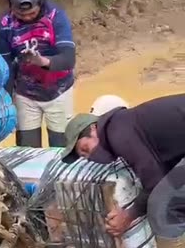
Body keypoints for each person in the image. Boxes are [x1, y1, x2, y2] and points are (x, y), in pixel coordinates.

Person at [60, 94, 185, 248]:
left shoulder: (118, 133)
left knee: (163, 206)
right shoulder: (123, 123)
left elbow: (154, 181)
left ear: (93, 128)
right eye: (84, 157)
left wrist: (128, 215)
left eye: (85, 148)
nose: (90, 157)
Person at [0, 0, 76, 148]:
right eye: (21, 14)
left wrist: (41, 61)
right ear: (11, 5)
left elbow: (69, 59)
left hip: (58, 92)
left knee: (61, 150)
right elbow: (6, 64)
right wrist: (6, 100)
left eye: (31, 13)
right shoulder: (3, 24)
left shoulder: (55, 16)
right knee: (27, 151)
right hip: (25, 94)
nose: (26, 18)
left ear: (40, 3)